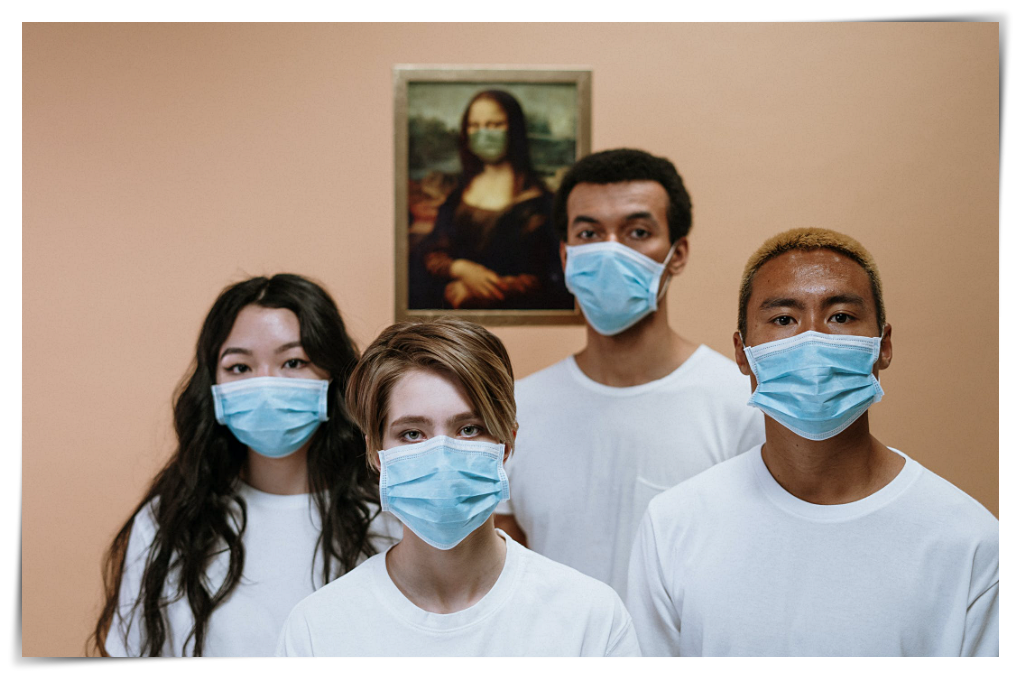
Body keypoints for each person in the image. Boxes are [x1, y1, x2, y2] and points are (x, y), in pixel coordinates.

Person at [627, 227, 999, 656]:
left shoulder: (969, 543)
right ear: (743, 353)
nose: (813, 341)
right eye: (784, 319)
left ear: (883, 346)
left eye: (840, 316)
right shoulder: (674, 526)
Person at [276, 319, 640, 656]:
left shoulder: (590, 619)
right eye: (412, 434)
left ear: (507, 443)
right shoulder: (318, 629)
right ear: (376, 453)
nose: (442, 457)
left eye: (468, 429)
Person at [493, 148, 765, 598]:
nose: (611, 250)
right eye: (589, 233)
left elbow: (760, 565)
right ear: (565, 256)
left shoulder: (742, 405)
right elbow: (508, 574)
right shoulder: (516, 411)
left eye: (638, 232)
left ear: (677, 254)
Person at [91, 274, 398, 656]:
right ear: (213, 384)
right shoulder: (167, 522)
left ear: (334, 377)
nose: (265, 386)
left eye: (293, 362)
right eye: (239, 367)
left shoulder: (391, 515)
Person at [409, 89, 572, 310]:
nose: (483, 133)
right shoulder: (457, 194)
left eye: (494, 125)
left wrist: (481, 290)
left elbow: (550, 277)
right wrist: (460, 269)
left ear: (514, 129)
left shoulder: (541, 202)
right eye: (474, 126)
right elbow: (431, 251)